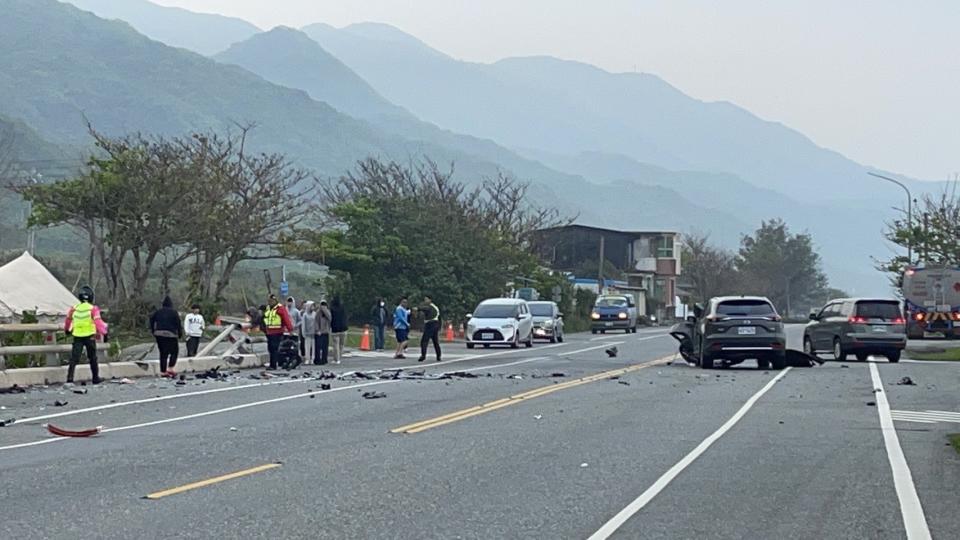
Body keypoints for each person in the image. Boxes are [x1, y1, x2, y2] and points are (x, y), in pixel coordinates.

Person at [64, 285, 107, 384]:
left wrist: (67, 330)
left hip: (77, 336)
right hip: (89, 336)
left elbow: (68, 321)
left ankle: (70, 378)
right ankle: (95, 378)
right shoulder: (93, 309)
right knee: (92, 357)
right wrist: (104, 333)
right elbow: (98, 322)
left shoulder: (74, 308)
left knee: (74, 358)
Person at [150, 296, 183, 376]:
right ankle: (170, 368)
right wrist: (180, 333)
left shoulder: (158, 311)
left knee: (163, 353)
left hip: (159, 334)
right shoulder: (174, 312)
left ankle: (163, 371)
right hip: (170, 334)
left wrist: (153, 330)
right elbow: (178, 323)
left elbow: (151, 319)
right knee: (174, 352)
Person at [264, 294, 294, 369]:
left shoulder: (280, 308)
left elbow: (286, 319)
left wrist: (290, 329)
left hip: (277, 332)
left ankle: (273, 365)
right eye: (269, 301)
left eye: (272, 301)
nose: (270, 302)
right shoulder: (268, 308)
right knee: (270, 348)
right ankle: (273, 364)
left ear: (275, 300)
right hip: (269, 332)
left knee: (274, 348)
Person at [418, 295, 442, 362]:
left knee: (424, 340)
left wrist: (418, 308)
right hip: (435, 324)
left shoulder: (431, 307)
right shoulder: (436, 307)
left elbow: (425, 309)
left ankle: (423, 355)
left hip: (431, 324)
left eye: (426, 299)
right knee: (435, 341)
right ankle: (438, 356)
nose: (425, 301)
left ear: (430, 300)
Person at [330, 296, 348, 364]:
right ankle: (339, 357)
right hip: (343, 328)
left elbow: (330, 318)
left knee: (335, 345)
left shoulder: (332, 309)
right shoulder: (343, 308)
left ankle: (336, 359)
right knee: (341, 345)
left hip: (335, 329)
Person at [316, 299, 332, 365]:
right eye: (322, 304)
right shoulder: (318, 312)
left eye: (324, 304)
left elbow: (330, 318)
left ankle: (324, 359)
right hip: (319, 332)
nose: (323, 306)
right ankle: (318, 360)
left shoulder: (328, 312)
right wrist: (317, 330)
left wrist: (324, 310)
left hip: (326, 332)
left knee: (325, 347)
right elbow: (316, 321)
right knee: (318, 347)